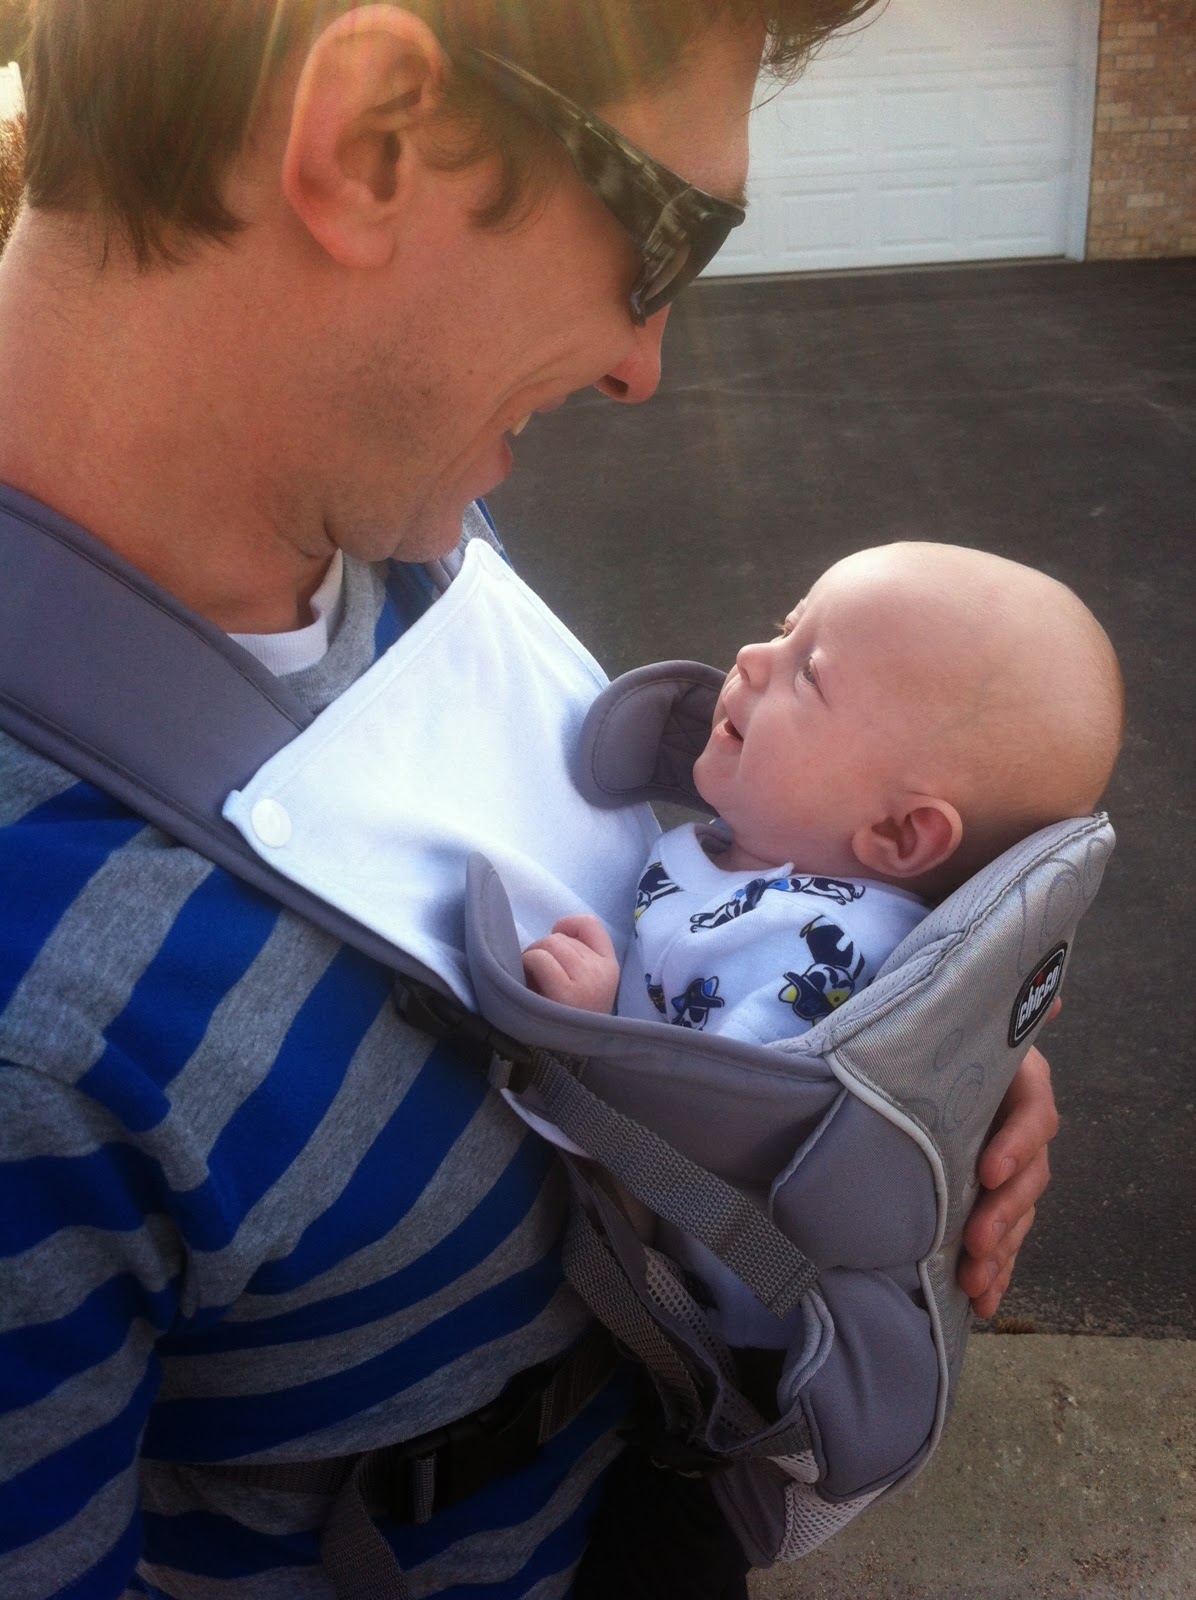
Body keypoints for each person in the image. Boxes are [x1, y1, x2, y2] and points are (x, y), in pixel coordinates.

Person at [0, 5, 1061, 1597]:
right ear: (372, 139)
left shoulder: (380, 522)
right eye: (667, 243)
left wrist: (885, 1042)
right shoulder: (35, 1024)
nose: (644, 365)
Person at [522, 539, 1123, 1353]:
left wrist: (593, 1037)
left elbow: (700, 1137)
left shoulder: (810, 955)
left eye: (808, 672)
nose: (752, 656)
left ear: (899, 833)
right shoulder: (781, 862)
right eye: (785, 628)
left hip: (708, 1310)